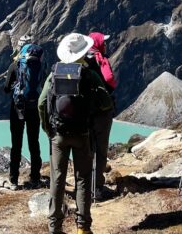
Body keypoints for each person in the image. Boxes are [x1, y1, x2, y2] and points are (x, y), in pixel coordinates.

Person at [39, 33, 112, 234]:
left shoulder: (54, 73)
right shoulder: (89, 74)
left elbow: (42, 103)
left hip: (59, 135)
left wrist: (48, 129)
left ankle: (55, 226)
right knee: (83, 178)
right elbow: (106, 102)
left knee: (58, 178)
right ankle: (83, 227)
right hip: (82, 134)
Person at [3, 33, 44, 189]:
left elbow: (6, 89)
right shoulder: (41, 64)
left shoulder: (15, 65)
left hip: (18, 108)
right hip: (35, 108)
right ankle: (35, 178)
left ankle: (13, 180)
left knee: (16, 144)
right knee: (34, 143)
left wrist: (14, 85)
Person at [86, 32, 117, 201]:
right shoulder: (99, 58)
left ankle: (83, 186)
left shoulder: (79, 58)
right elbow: (110, 79)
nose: (105, 44)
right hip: (101, 112)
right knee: (100, 149)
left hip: (83, 112)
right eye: (103, 42)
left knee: (86, 149)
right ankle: (97, 188)